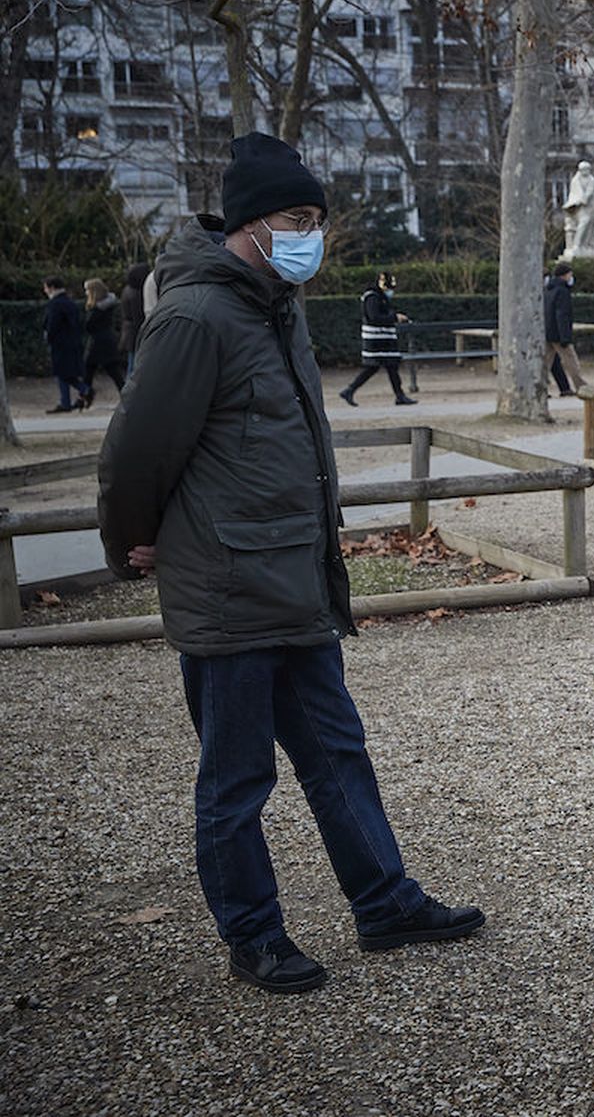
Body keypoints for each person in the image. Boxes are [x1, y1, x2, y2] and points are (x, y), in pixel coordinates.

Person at [95, 132, 484, 995]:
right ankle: (255, 937)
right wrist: (129, 545)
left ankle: (384, 902)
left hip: (296, 581)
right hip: (228, 588)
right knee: (237, 781)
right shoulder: (196, 316)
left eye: (317, 219)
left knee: (338, 753)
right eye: (295, 218)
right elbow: (136, 453)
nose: (310, 233)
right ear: (248, 225)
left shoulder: (281, 305)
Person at [339, 271, 416, 407]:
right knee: (380, 366)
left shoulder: (378, 296)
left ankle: (399, 395)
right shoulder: (372, 297)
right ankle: (350, 390)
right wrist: (394, 318)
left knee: (385, 367)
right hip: (377, 339)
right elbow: (374, 317)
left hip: (383, 338)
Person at [41, 276, 88, 413]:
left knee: (62, 373)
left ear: (52, 287)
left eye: (46, 287)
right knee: (66, 373)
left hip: (60, 343)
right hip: (71, 342)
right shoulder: (69, 302)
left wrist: (48, 337)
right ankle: (72, 397)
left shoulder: (55, 304)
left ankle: (77, 394)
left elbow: (52, 324)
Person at [544, 261, 586, 397]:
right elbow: (562, 314)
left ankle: (539, 388)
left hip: (547, 331)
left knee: (545, 363)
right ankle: (581, 387)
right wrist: (565, 336)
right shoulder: (562, 292)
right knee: (571, 361)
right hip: (558, 333)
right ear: (565, 275)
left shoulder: (549, 290)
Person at [82, 278, 126, 401]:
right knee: (113, 371)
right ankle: (126, 395)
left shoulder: (97, 309)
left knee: (89, 369)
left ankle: (86, 395)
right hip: (106, 341)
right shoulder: (107, 307)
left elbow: (89, 325)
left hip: (97, 343)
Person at [118, 263, 149, 376]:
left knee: (132, 360)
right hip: (134, 331)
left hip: (129, 329)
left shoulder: (128, 290)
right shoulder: (135, 294)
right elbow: (138, 317)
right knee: (133, 363)